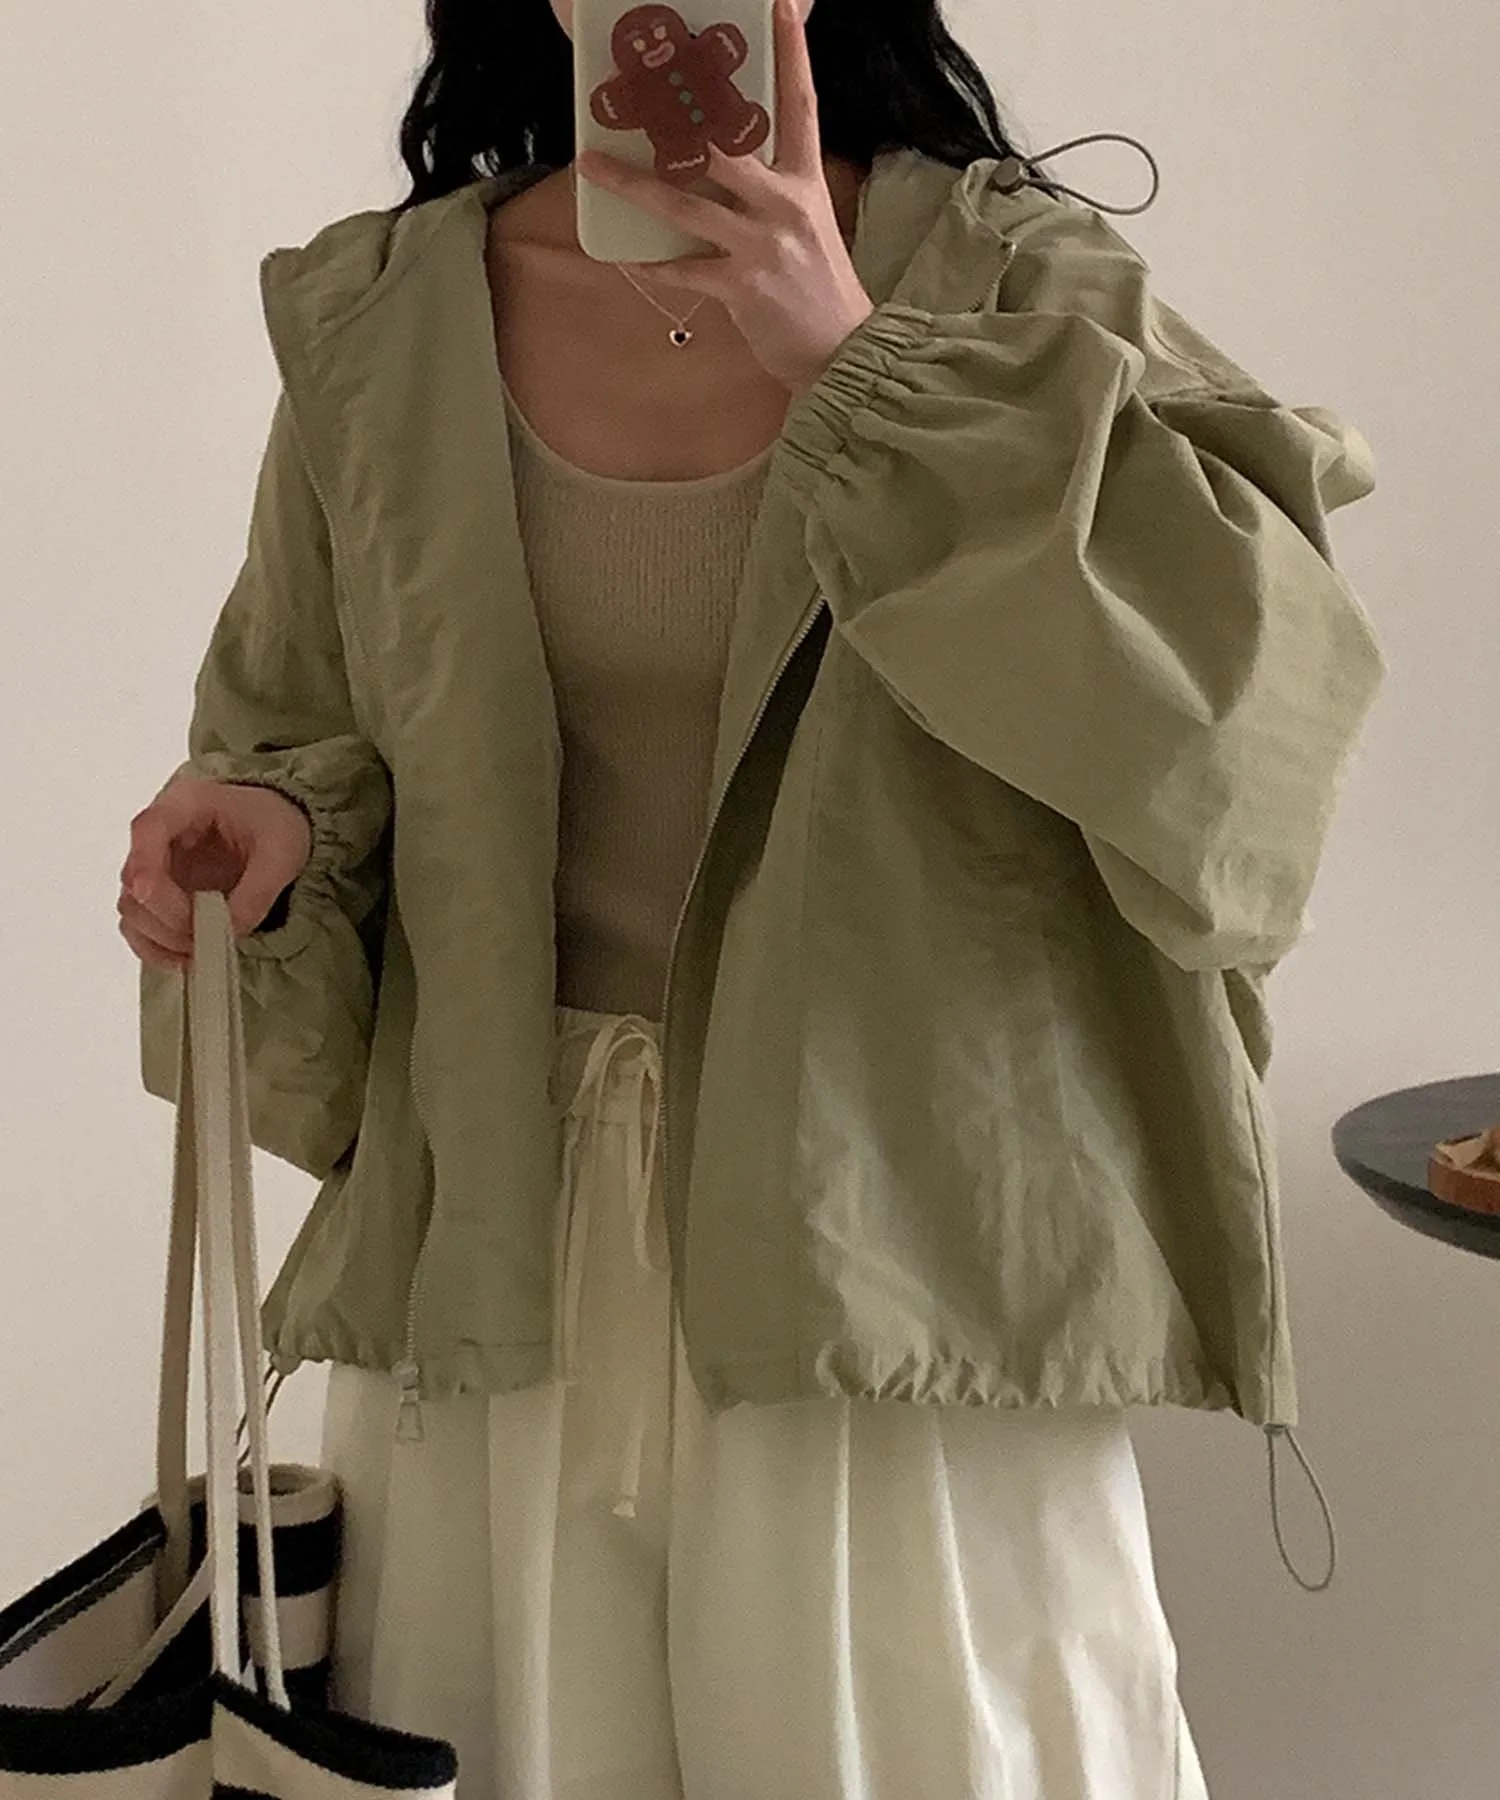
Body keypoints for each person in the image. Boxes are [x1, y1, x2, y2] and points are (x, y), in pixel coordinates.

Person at [117, 0, 1387, 1794]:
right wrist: (263, 830)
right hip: (503, 1254)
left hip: (895, 1238)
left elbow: (1243, 737)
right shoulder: (381, 327)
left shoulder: (1016, 283)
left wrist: (857, 361)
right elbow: (296, 727)